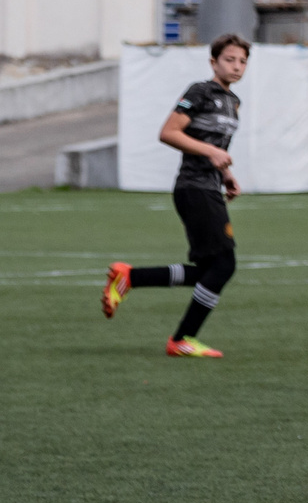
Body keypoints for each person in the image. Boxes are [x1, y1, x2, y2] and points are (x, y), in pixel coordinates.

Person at [103, 34, 249, 358]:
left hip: (209, 187)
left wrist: (226, 175)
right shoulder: (199, 91)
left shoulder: (234, 103)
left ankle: (129, 277)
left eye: (242, 61)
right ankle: (181, 339)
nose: (237, 66)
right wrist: (211, 152)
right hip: (193, 188)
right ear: (214, 62)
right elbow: (168, 133)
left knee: (208, 271)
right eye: (230, 59)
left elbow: (217, 150)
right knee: (224, 265)